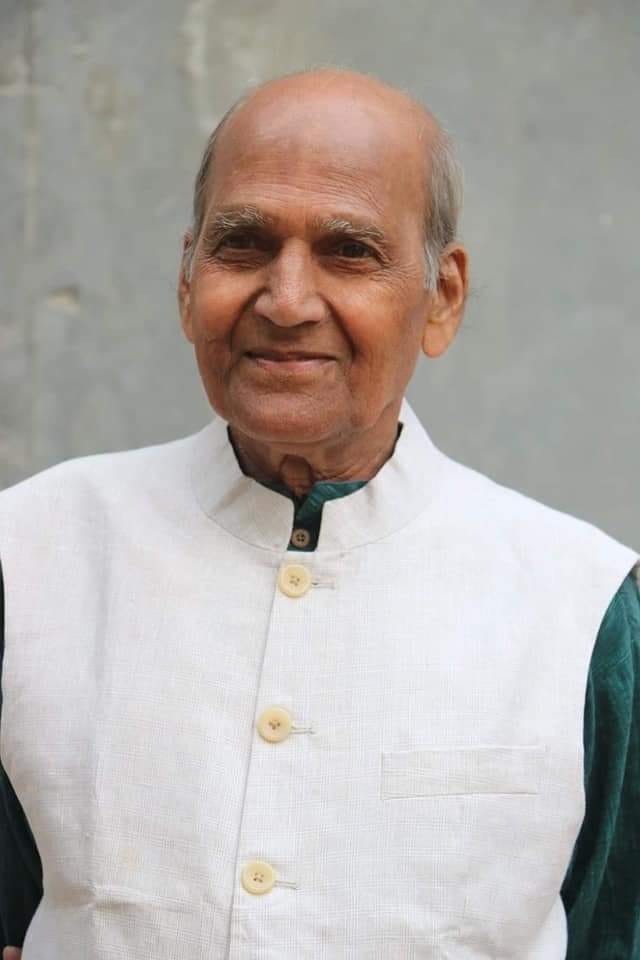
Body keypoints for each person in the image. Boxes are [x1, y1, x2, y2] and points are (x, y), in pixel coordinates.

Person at [0, 67, 638, 959]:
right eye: (243, 244)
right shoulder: (30, 553)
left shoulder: (581, 606)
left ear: (442, 298)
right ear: (186, 280)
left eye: (349, 251)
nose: (288, 301)